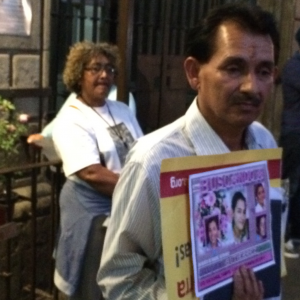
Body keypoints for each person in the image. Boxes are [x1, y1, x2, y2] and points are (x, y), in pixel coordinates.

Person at [98, 3, 280, 300]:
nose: (252, 86)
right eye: (234, 68)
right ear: (194, 73)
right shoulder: (153, 161)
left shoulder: (264, 142)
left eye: (264, 71)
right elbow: (119, 282)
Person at [52, 41, 143, 300]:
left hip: (124, 205)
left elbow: (141, 150)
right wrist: (139, 190)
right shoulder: (71, 119)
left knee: (121, 280)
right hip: (93, 212)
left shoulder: (122, 110)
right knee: (92, 282)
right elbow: (91, 173)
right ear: (79, 74)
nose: (105, 75)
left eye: (109, 68)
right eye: (95, 68)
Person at [27, 84, 137, 143]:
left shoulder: (121, 100)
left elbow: (126, 141)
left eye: (108, 69)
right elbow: (62, 118)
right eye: (95, 69)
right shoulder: (77, 95)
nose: (103, 74)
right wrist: (44, 134)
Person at [279, 27, 300, 259]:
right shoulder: (294, 67)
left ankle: (295, 236)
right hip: (294, 134)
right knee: (290, 185)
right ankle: (283, 238)